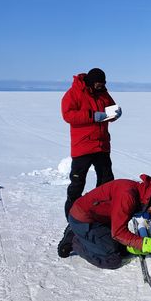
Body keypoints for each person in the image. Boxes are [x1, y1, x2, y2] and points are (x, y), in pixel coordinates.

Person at [57, 175, 151, 269]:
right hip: (83, 219)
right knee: (112, 259)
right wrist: (147, 244)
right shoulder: (127, 196)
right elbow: (118, 233)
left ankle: (80, 233)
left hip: (97, 218)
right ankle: (75, 240)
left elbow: (120, 220)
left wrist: (130, 244)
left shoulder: (139, 190)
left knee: (119, 247)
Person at [61, 68, 122, 219]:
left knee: (106, 181)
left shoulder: (103, 92)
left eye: (103, 84)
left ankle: (101, 212)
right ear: (91, 82)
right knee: (77, 183)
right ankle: (72, 217)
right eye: (98, 84)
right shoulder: (74, 93)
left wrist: (115, 113)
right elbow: (68, 115)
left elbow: (110, 109)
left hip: (101, 145)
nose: (101, 87)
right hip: (83, 146)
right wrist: (92, 116)